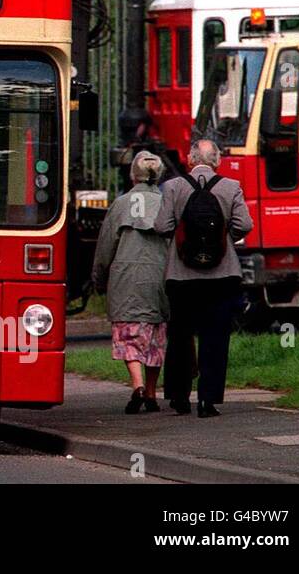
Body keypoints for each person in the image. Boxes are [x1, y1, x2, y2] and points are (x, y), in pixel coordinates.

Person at [154, 139, 253, 418]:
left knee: (181, 336)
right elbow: (244, 225)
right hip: (222, 275)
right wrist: (224, 235)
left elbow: (162, 225)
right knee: (215, 337)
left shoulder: (173, 187)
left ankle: (179, 397)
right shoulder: (230, 187)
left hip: (182, 277)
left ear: (189, 159)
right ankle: (208, 400)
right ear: (217, 160)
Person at [91, 151, 170, 414]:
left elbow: (105, 246)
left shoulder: (121, 204)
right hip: (159, 275)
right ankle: (151, 391)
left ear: (133, 175)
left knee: (129, 334)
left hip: (126, 277)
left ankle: (136, 384)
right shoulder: (167, 203)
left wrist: (99, 278)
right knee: (155, 334)